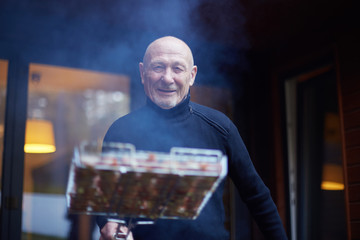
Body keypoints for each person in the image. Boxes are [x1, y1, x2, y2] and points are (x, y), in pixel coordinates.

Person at [96, 36, 287, 240]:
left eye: (177, 68)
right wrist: (112, 225)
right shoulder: (121, 131)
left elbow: (257, 196)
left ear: (192, 75)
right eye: (158, 67)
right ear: (143, 73)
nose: (167, 78)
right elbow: (103, 200)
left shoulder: (219, 127)